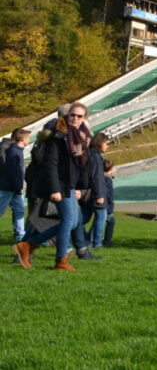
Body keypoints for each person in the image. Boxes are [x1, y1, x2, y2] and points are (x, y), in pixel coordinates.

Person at [13, 102, 94, 271]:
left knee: (71, 222)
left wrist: (78, 187)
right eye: (72, 115)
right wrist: (55, 189)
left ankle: (28, 246)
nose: (75, 118)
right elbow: (51, 164)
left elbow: (78, 165)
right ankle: (60, 261)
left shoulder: (82, 136)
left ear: (84, 118)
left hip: (70, 185)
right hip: (59, 185)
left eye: (79, 116)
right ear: (67, 115)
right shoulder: (60, 135)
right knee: (66, 221)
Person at [80, 133, 111, 253]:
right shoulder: (96, 157)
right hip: (95, 193)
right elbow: (96, 176)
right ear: (100, 143)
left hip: (88, 193)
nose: (108, 146)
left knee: (81, 219)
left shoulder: (90, 154)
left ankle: (84, 239)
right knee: (101, 216)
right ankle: (96, 243)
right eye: (107, 143)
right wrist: (99, 195)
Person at [0, 129, 30, 243]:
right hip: (9, 188)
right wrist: (17, 188)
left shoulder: (17, 150)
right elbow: (13, 172)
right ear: (22, 139)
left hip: (15, 188)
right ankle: (20, 234)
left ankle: (20, 235)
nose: (28, 140)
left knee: (19, 210)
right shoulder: (14, 151)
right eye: (27, 138)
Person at [98, 159, 116, 247]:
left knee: (104, 221)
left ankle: (106, 240)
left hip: (106, 204)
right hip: (106, 205)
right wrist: (110, 203)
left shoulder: (105, 177)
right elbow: (108, 194)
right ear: (110, 168)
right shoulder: (106, 179)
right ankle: (106, 240)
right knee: (105, 221)